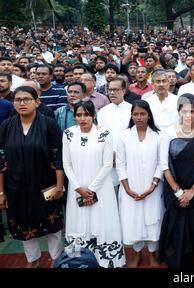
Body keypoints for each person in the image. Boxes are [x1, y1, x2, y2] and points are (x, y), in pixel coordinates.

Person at [0, 86, 64, 268]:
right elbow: (1, 161)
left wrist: (59, 186)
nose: (22, 103)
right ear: (13, 103)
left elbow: (58, 156)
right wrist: (1, 192)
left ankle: (55, 259)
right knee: (23, 224)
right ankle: (33, 260)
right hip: (16, 187)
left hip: (46, 185)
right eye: (18, 99)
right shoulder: (6, 126)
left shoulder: (48, 124)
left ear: (37, 102)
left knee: (53, 226)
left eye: (27, 99)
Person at [62, 100, 125, 268]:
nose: (82, 118)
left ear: (94, 115)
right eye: (79, 115)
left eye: (86, 115)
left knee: (103, 223)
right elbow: (66, 164)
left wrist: (91, 189)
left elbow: (107, 164)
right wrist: (78, 188)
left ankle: (106, 262)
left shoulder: (104, 134)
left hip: (101, 188)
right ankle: (77, 261)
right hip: (77, 189)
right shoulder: (68, 134)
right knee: (78, 224)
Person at [158, 93, 194, 268]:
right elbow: (164, 164)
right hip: (173, 186)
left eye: (192, 111)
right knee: (175, 223)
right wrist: (178, 191)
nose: (188, 115)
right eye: (184, 111)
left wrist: (193, 190)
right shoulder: (168, 132)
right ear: (179, 112)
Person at [116, 100, 163, 267]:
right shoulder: (124, 136)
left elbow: (161, 162)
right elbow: (120, 164)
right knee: (132, 221)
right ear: (131, 116)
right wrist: (127, 189)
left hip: (153, 188)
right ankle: (136, 254)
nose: (139, 117)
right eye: (135, 114)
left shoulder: (158, 135)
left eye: (142, 114)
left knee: (152, 220)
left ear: (149, 115)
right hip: (130, 188)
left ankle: (152, 254)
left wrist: (153, 185)